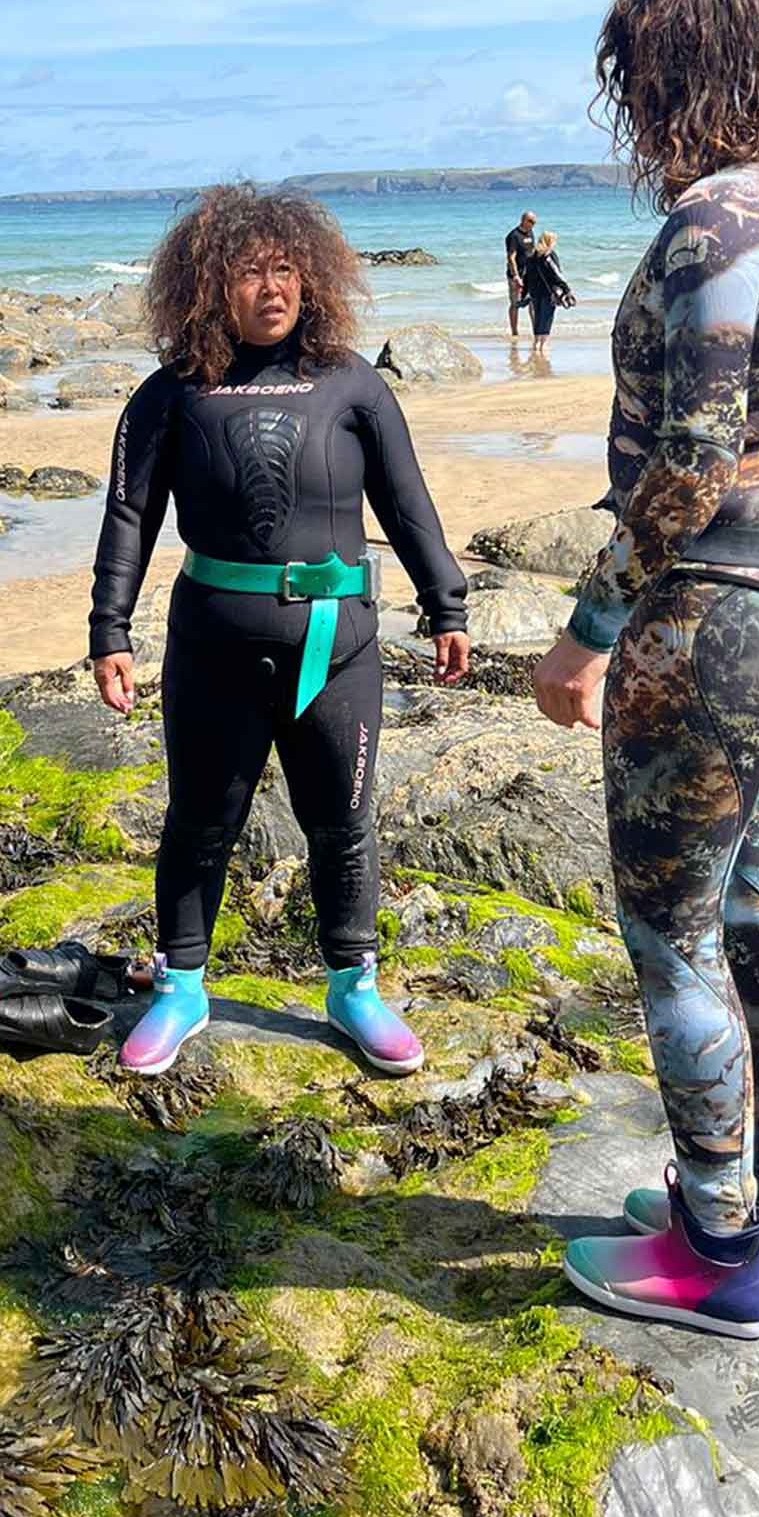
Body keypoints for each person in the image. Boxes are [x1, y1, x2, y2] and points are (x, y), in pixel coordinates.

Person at [533, 0, 759, 1339]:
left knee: (671, 937)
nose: (628, 106)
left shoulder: (719, 224)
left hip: (714, 616)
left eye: (633, 75)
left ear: (663, 75)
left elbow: (688, 463)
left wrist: (586, 626)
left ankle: (715, 1251)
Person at [90, 185, 473, 1078]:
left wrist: (445, 603)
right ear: (207, 287)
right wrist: (110, 629)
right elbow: (127, 521)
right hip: (212, 646)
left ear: (312, 277)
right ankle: (182, 986)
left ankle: (353, 986)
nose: (271, 289)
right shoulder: (172, 394)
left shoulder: (352, 383)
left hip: (339, 645)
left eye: (285, 270)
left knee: (341, 819)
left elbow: (409, 505)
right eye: (249, 274)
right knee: (198, 821)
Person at [524, 228, 582, 342]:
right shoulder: (549, 256)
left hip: (534, 293)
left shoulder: (531, 257)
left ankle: (536, 343)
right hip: (548, 292)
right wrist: (567, 289)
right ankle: (542, 345)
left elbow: (527, 277)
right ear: (550, 242)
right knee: (547, 319)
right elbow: (556, 274)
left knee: (538, 318)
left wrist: (524, 294)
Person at [504, 210, 541, 338]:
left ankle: (537, 331)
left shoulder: (530, 233)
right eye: (531, 222)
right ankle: (514, 332)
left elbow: (532, 251)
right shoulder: (513, 236)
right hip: (516, 275)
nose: (533, 225)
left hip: (530, 275)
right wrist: (516, 276)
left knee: (533, 302)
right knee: (515, 303)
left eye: (534, 222)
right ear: (524, 220)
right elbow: (511, 257)